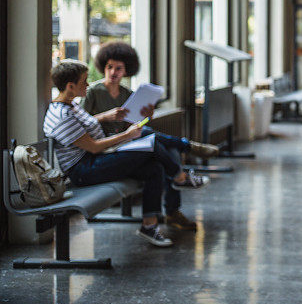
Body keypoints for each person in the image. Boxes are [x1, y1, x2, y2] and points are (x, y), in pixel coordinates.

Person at [44, 60, 208, 247]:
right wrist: (125, 136)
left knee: (153, 167)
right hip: (84, 170)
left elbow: (88, 127)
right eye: (84, 82)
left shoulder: (71, 106)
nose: (88, 84)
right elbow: (94, 147)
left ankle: (149, 225)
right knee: (151, 143)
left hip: (96, 159)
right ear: (70, 86)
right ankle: (180, 175)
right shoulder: (62, 116)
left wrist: (108, 117)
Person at [82, 41, 218, 230]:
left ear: (126, 71)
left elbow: (131, 127)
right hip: (106, 148)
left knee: (166, 150)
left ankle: (172, 210)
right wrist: (106, 116)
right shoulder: (93, 92)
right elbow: (81, 123)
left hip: (124, 144)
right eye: (109, 67)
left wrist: (145, 116)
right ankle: (187, 151)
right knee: (151, 138)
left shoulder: (127, 94)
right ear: (103, 67)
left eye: (118, 68)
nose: (113, 72)